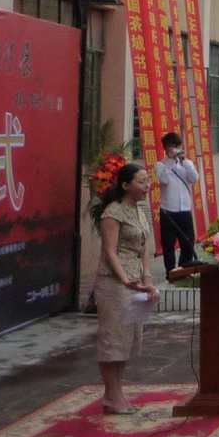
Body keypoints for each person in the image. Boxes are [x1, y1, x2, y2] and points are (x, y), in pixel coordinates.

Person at [93, 162, 158, 414]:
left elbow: (144, 248)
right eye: (141, 182)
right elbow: (110, 252)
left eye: (147, 181)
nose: (147, 186)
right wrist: (124, 279)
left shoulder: (139, 211)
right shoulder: (113, 212)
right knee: (113, 338)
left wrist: (147, 279)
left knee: (127, 339)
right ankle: (111, 396)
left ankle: (117, 393)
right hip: (114, 282)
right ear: (125, 185)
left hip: (136, 282)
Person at [154, 131, 199, 274]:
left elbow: (194, 178)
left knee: (188, 242)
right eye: (171, 146)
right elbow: (164, 181)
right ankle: (171, 273)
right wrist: (171, 161)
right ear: (165, 148)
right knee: (168, 244)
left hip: (185, 210)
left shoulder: (187, 163)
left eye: (177, 146)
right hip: (168, 211)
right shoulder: (160, 165)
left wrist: (183, 161)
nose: (174, 149)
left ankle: (184, 271)